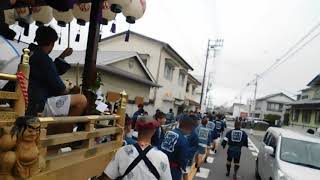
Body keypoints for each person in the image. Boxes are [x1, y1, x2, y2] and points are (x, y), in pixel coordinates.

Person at [27, 26, 87, 117]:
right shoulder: (44, 59)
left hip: (30, 99)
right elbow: (60, 89)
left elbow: (50, 71)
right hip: (38, 104)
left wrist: (63, 56)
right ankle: (63, 128)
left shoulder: (31, 54)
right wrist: (71, 92)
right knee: (81, 100)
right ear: (51, 43)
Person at [102, 115, 172, 180]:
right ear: (154, 131)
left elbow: (108, 176)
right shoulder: (162, 157)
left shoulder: (122, 151)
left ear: (137, 128)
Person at [160, 114, 194, 180]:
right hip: (173, 169)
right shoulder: (183, 140)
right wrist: (184, 169)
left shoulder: (168, 132)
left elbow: (160, 145)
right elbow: (183, 159)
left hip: (161, 164)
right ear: (188, 128)